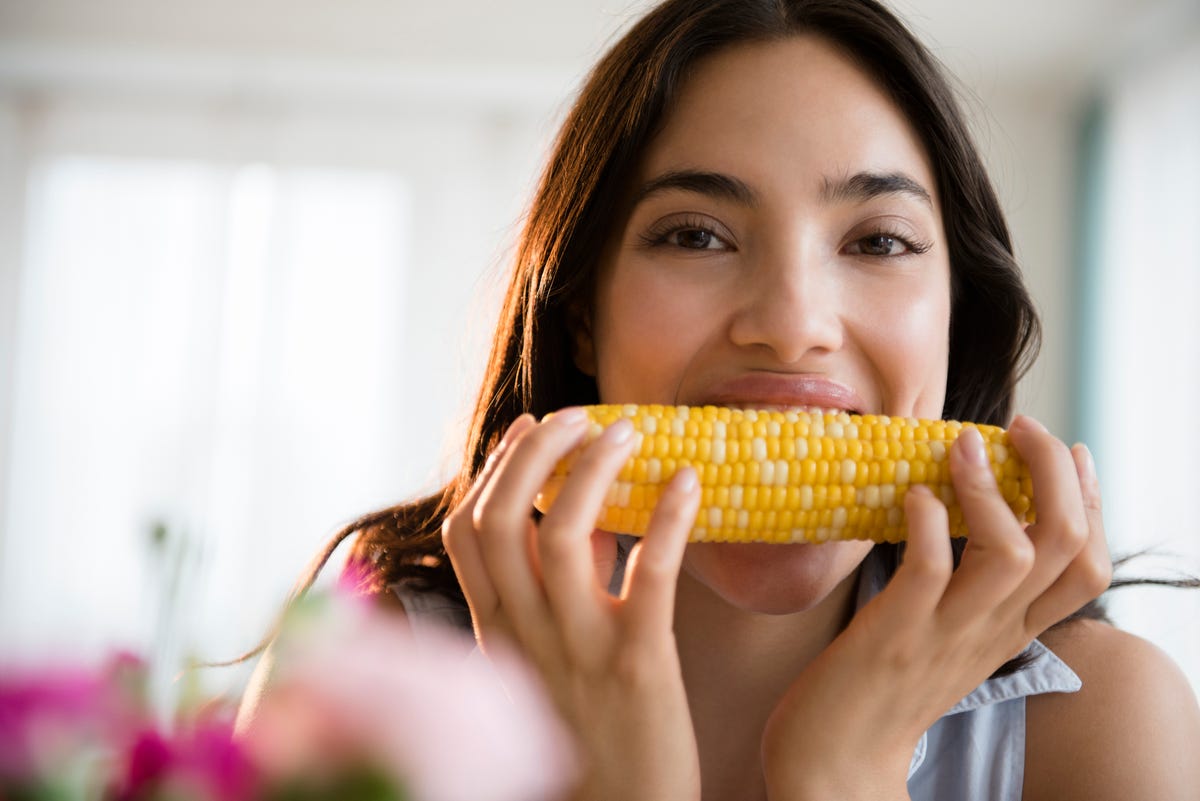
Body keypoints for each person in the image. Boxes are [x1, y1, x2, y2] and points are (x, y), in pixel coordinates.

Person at [237, 0, 1200, 798]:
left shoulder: (1101, 730)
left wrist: (841, 776)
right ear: (580, 314)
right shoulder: (373, 673)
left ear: (957, 316)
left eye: (876, 241)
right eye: (696, 235)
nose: (791, 323)